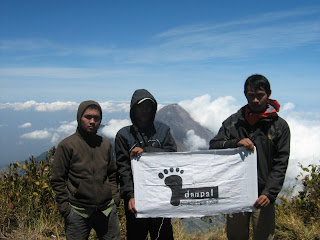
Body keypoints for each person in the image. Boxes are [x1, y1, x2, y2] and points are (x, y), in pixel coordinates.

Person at [209, 74, 290, 240]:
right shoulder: (233, 123)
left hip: (263, 194)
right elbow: (214, 145)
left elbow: (280, 163)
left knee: (264, 236)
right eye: (251, 95)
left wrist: (269, 193)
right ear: (245, 94)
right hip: (236, 192)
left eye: (260, 95)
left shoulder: (279, 126)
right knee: (236, 236)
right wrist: (235, 143)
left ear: (268, 94)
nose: (255, 100)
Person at [50, 100, 120, 240]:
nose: (92, 121)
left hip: (106, 209)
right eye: (88, 117)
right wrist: (65, 208)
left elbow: (112, 173)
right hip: (77, 210)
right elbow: (57, 179)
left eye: (96, 118)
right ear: (79, 118)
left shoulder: (105, 144)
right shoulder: (67, 145)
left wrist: (115, 199)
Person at [115, 89, 177, 240]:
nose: (144, 110)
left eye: (148, 106)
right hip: (136, 199)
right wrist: (130, 195)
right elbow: (123, 169)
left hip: (160, 196)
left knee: (163, 235)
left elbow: (172, 155)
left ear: (153, 109)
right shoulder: (123, 135)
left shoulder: (163, 130)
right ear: (133, 109)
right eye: (140, 106)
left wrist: (146, 151)